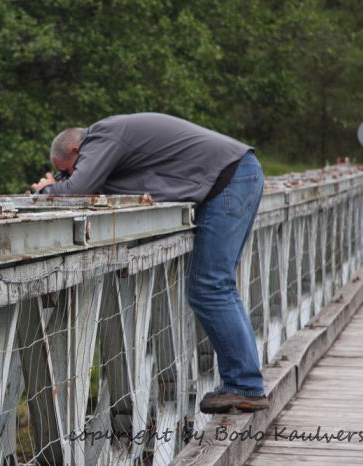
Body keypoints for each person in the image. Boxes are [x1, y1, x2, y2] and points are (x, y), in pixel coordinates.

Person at [32, 113, 269, 414]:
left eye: (69, 169)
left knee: (209, 286)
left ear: (78, 151)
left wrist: (45, 192)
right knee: (217, 286)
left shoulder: (102, 135)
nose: (70, 175)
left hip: (231, 180)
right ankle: (244, 383)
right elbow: (91, 184)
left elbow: (79, 189)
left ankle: (245, 386)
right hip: (237, 176)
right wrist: (62, 183)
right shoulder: (111, 141)